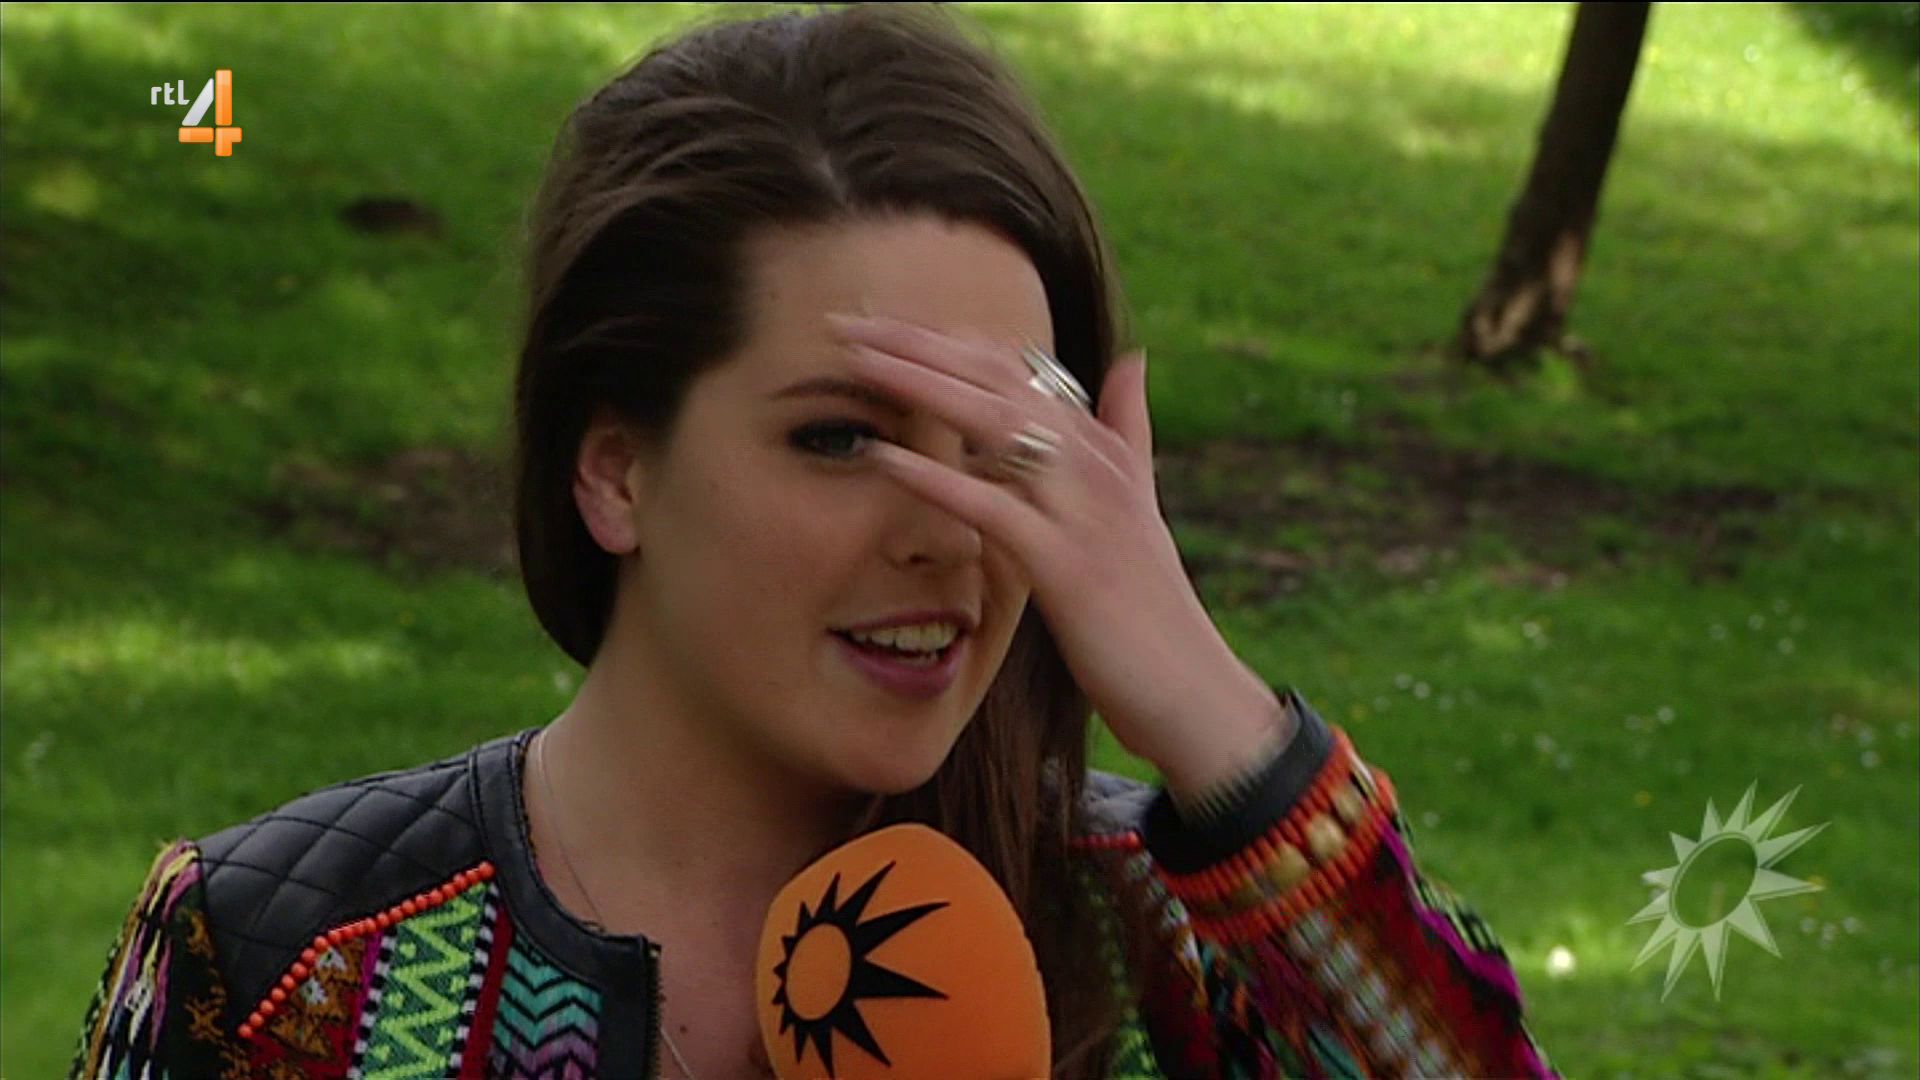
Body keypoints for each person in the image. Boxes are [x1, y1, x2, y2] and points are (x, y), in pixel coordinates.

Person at [70, 5, 1558, 1078]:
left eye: (1008, 442)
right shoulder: (276, 961)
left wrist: (1214, 721)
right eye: (842, 438)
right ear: (615, 469)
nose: (949, 531)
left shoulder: (1158, 936)